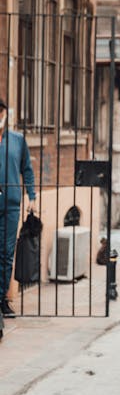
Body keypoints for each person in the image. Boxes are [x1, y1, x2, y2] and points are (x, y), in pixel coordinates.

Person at [0, 98, 36, 321]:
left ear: (3, 114)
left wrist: (31, 195)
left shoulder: (17, 140)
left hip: (11, 205)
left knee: (6, 254)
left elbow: (27, 169)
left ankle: (2, 299)